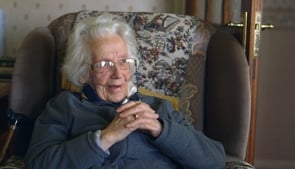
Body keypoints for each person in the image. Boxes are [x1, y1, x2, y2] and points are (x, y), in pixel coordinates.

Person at [25, 14, 225, 169]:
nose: (118, 74)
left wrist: (160, 130)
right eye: (104, 64)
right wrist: (105, 138)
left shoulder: (157, 108)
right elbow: (38, 163)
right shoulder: (65, 107)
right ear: (83, 72)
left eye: (123, 61)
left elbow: (214, 160)